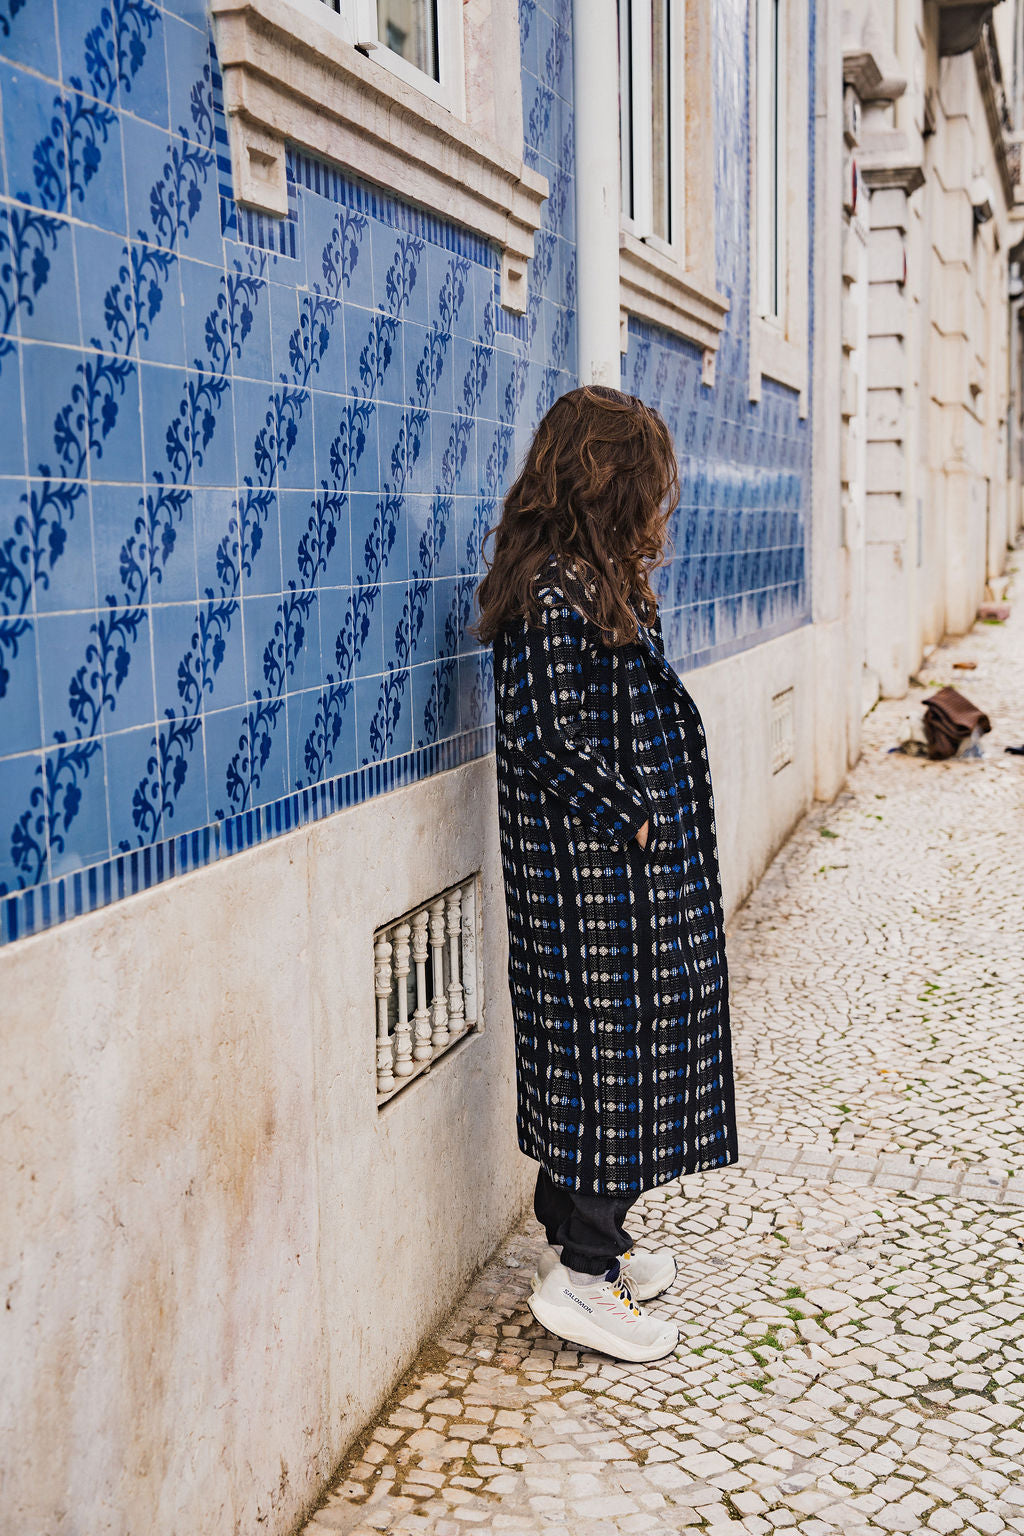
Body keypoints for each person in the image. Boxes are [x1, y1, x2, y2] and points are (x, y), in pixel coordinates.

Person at [471, 385, 738, 1365]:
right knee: (608, 1064)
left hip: (611, 882)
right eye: (642, 484)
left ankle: (593, 1244)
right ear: (600, 481)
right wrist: (632, 816)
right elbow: (546, 736)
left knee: (624, 1056)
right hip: (589, 885)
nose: (653, 505)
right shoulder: (552, 589)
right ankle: (581, 1279)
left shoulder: (582, 576)